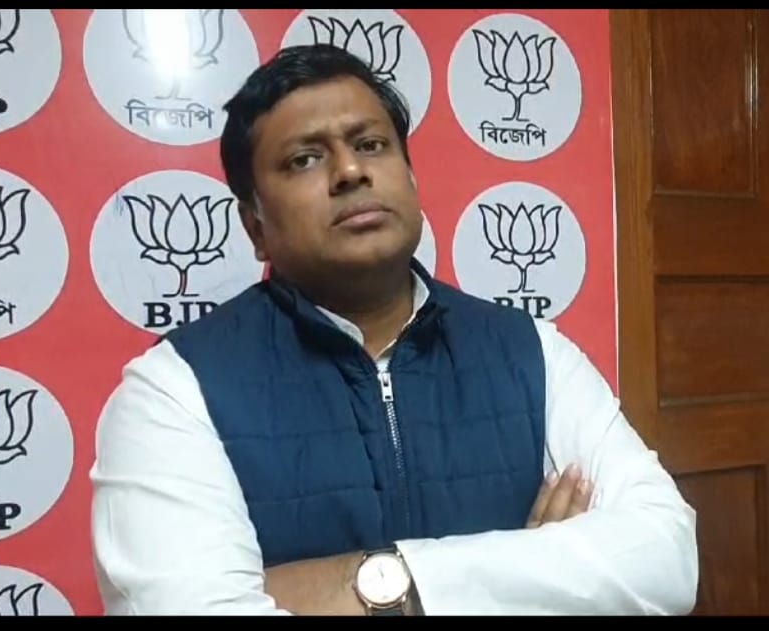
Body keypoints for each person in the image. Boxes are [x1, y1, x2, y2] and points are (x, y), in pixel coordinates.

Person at [89, 43, 698, 616]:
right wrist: (542, 575)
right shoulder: (175, 389)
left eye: (372, 144)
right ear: (255, 227)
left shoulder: (531, 352)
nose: (350, 170)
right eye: (305, 159)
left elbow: (667, 557)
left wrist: (380, 585)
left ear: (410, 178)